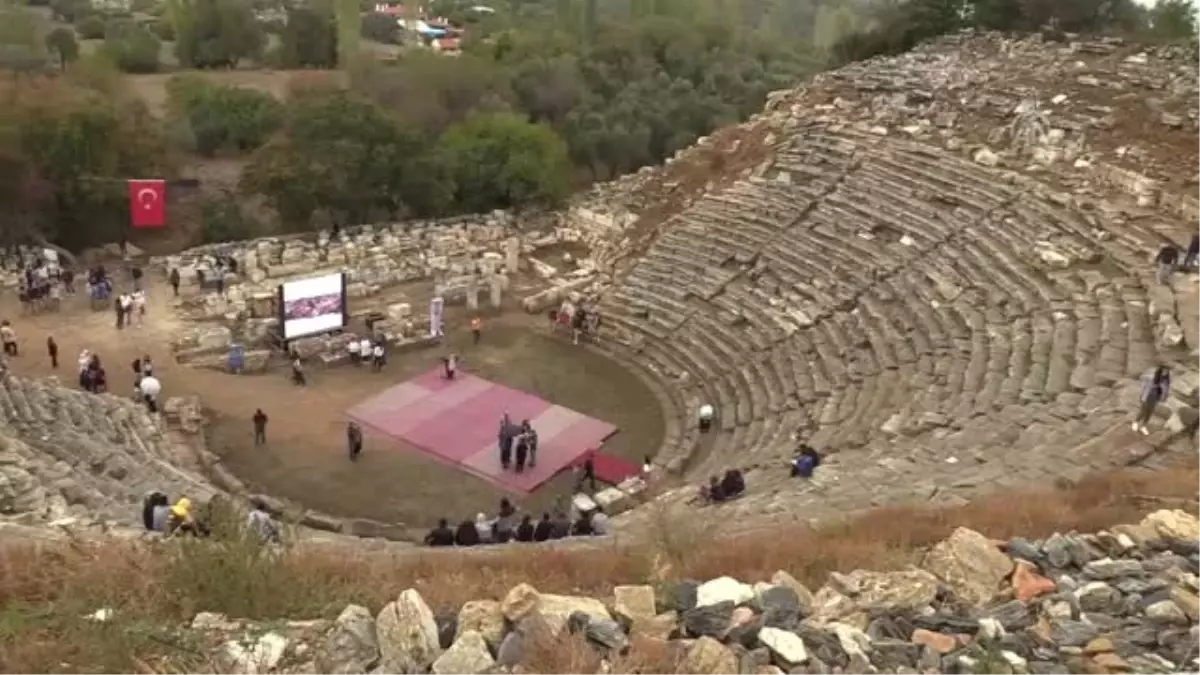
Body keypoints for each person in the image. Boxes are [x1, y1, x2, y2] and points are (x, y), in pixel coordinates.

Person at [1134, 365, 1172, 435]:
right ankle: (1136, 422)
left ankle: (1143, 426)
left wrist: (1164, 397)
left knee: (1149, 413)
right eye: (1163, 370)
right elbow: (1143, 381)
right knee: (1143, 411)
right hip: (1147, 396)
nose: (1165, 372)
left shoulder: (1166, 381)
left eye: (1166, 371)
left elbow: (1167, 391)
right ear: (1160, 370)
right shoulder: (1152, 377)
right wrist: (1141, 395)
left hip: (1156, 398)